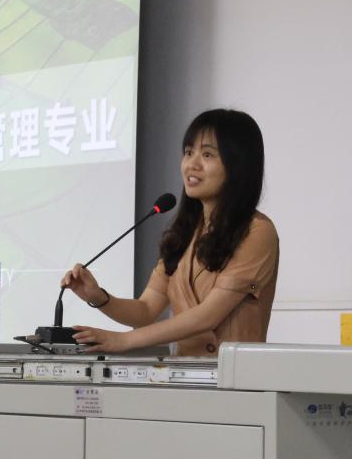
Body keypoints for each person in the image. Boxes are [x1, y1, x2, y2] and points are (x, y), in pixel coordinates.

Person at [62, 108, 279, 356]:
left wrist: (124, 340)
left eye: (207, 154)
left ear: (237, 166)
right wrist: (99, 297)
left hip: (236, 375)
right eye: (188, 152)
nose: (191, 165)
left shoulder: (257, 231)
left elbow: (208, 315)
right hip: (186, 373)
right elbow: (146, 310)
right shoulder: (185, 233)